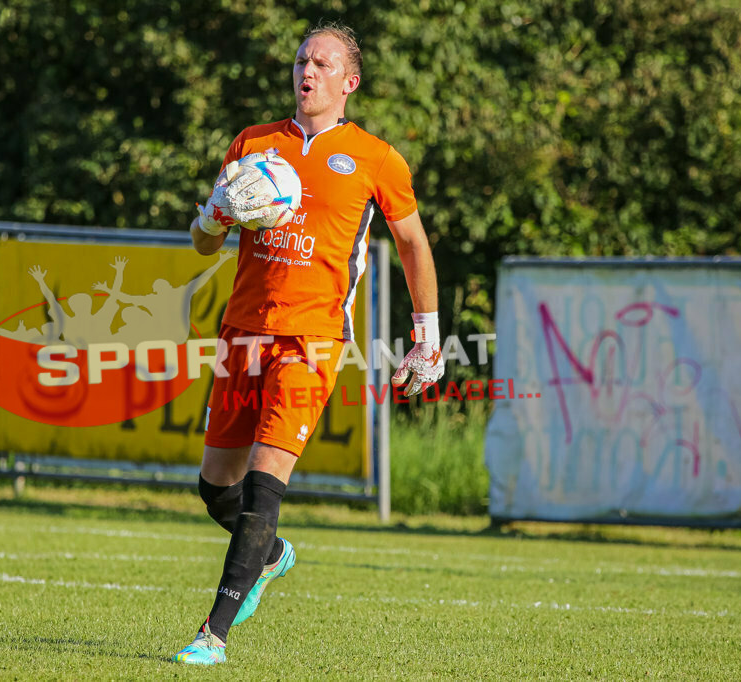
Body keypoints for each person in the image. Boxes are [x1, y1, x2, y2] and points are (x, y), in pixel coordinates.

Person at [172, 21, 445, 665]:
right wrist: (215, 214)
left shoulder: (376, 158)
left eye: (322, 64)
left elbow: (412, 243)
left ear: (349, 81)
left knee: (266, 485)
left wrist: (427, 338)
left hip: (313, 338)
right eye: (301, 61)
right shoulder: (253, 143)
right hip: (243, 332)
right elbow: (204, 241)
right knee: (216, 488)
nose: (307, 73)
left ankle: (212, 636)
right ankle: (271, 554)